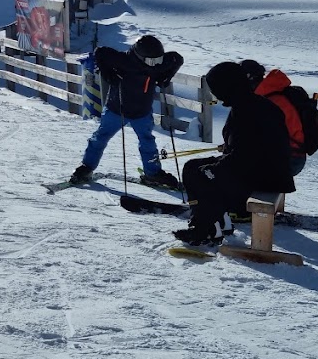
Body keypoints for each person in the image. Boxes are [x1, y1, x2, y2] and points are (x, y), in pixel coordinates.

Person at [174, 61, 295, 245]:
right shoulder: (250, 103)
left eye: (216, 89)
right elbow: (247, 150)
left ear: (226, 87)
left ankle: (203, 229)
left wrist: (214, 169)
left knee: (204, 176)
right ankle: (219, 222)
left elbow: (244, 159)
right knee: (192, 167)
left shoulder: (246, 110)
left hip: (266, 177)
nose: (215, 94)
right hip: (264, 169)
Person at [69, 34, 183, 189]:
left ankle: (153, 174)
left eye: (158, 60)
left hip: (142, 113)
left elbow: (177, 58)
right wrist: (108, 74)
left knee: (148, 143)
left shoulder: (157, 64)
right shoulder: (124, 60)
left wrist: (166, 76)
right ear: (139, 56)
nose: (155, 65)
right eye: (151, 61)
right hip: (116, 110)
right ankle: (86, 167)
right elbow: (99, 52)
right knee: (100, 138)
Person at [240, 59, 318, 176]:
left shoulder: (269, 102)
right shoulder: (272, 94)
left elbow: (263, 136)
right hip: (292, 156)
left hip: (287, 159)